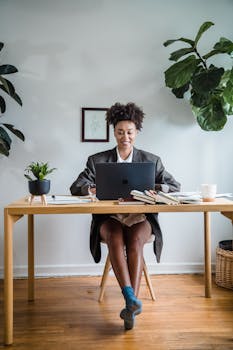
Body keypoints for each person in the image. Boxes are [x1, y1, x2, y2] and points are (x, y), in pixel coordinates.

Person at [70, 102, 180, 330]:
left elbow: (174, 185)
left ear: (136, 132)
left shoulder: (152, 160)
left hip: (140, 216)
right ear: (114, 133)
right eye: (120, 132)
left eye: (129, 132)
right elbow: (76, 186)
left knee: (135, 242)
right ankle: (130, 299)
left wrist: (157, 188)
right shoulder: (97, 160)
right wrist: (90, 189)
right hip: (109, 217)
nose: (125, 137)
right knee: (115, 239)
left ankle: (131, 308)